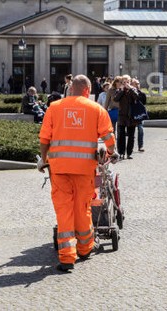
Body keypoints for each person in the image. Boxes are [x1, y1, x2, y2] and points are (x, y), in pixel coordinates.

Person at [37, 74, 118, 273]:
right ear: (87, 90)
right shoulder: (96, 109)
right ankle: (84, 248)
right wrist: (111, 152)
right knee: (83, 208)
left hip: (59, 169)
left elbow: (44, 138)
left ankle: (66, 258)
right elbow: (108, 136)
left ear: (71, 88)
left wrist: (43, 159)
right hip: (84, 170)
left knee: (64, 211)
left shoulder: (54, 108)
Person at [113, 75, 139, 159]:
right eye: (124, 82)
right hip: (122, 115)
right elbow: (115, 99)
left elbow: (137, 97)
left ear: (130, 82)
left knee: (131, 135)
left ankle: (129, 153)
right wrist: (122, 90)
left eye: (127, 82)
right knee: (121, 135)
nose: (126, 83)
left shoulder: (133, 89)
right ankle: (121, 152)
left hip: (131, 116)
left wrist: (130, 88)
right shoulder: (119, 90)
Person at [131, 79, 146, 152]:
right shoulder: (129, 93)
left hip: (139, 114)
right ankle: (131, 147)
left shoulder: (142, 94)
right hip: (132, 114)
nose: (137, 85)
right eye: (135, 83)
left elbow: (144, 103)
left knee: (141, 129)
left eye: (138, 83)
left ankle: (141, 146)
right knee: (131, 131)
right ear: (131, 85)